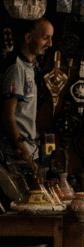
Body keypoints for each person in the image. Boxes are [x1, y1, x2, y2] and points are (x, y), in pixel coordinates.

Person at [2, 18, 52, 180]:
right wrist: (24, 153)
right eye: (45, 38)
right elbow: (8, 115)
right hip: (15, 155)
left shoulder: (31, 66)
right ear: (29, 38)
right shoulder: (16, 68)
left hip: (30, 151)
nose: (50, 44)